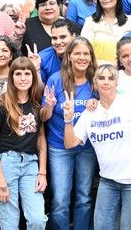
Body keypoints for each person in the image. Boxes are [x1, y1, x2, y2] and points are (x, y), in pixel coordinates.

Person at [63, 63, 131, 230]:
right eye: (101, 78)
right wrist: (68, 119)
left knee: (128, 227)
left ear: (117, 82)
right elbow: (70, 143)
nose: (106, 82)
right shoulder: (90, 113)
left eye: (111, 78)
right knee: (101, 227)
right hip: (108, 180)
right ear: (95, 83)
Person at [40, 37, 98, 230]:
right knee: (60, 200)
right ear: (69, 56)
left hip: (86, 147)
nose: (82, 57)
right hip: (59, 147)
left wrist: (97, 103)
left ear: (91, 57)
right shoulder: (55, 79)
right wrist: (49, 106)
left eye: (86, 53)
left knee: (84, 197)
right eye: (77, 53)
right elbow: (44, 117)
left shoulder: (95, 81)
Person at [0, 57, 48, 230]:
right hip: (5, 163)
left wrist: (42, 172)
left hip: (30, 163)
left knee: (37, 219)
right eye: (18, 74)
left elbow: (41, 139)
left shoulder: (36, 103)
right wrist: (1, 181)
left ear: (33, 77)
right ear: (11, 77)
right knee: (10, 224)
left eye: (27, 74)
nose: (23, 78)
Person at [81, 0, 131, 65]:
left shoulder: (130, 21)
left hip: (125, 68)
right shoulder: (90, 21)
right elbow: (84, 50)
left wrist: (118, 64)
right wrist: (107, 66)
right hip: (98, 69)